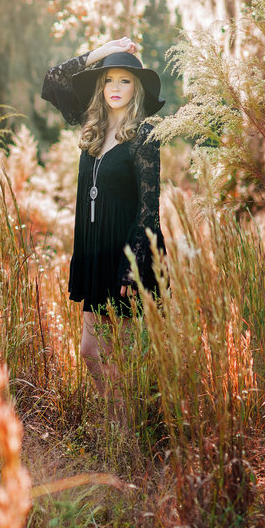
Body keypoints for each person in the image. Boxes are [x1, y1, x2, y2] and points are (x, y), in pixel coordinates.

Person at [41, 36, 165, 402]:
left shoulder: (145, 134)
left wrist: (134, 265)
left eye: (124, 80)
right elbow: (52, 80)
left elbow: (149, 207)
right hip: (94, 252)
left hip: (123, 255)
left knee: (119, 354)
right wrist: (97, 52)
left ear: (137, 87)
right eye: (108, 79)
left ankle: (125, 436)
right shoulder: (91, 124)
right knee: (90, 352)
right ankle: (116, 427)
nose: (115, 87)